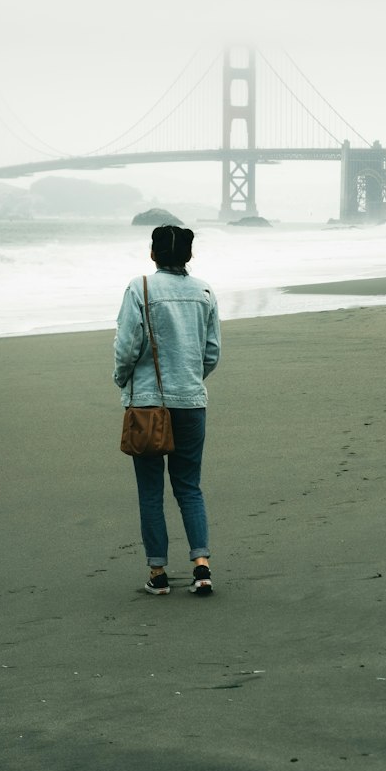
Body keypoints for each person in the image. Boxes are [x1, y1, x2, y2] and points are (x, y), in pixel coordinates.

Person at [114, 225, 221, 597]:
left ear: (153, 254)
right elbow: (211, 352)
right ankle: (202, 567)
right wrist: (189, 378)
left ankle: (158, 573)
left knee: (150, 491)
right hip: (191, 402)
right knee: (189, 486)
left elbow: (127, 347)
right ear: (188, 256)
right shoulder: (205, 291)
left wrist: (122, 380)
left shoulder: (139, 288)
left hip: (147, 404)